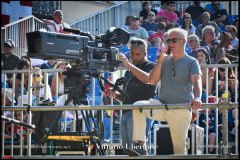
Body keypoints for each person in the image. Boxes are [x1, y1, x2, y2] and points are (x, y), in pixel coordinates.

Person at [118, 28, 202, 155]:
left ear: (184, 42)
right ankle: (140, 144)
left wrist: (198, 97)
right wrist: (161, 59)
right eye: (168, 40)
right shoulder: (164, 60)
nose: (170, 43)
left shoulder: (192, 61)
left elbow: (197, 81)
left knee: (180, 150)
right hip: (162, 106)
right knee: (138, 107)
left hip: (181, 109)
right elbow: (151, 80)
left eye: (174, 40)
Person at [107, 37, 156, 155]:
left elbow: (147, 79)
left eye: (137, 54)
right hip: (126, 112)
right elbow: (126, 97)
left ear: (145, 53)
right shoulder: (128, 71)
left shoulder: (151, 66)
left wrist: (129, 65)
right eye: (132, 54)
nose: (134, 57)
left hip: (140, 113)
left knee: (138, 149)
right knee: (128, 150)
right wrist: (115, 95)